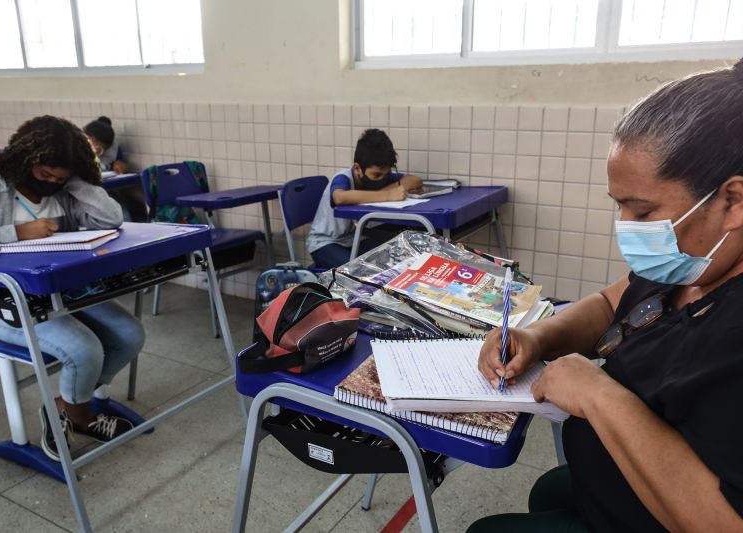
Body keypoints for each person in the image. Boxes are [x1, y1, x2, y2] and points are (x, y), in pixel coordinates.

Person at [470, 60, 743, 532]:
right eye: (619, 206)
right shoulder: (691, 261)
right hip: (611, 482)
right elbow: (612, 304)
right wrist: (539, 337)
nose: (627, 229)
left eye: (643, 211)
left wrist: (599, 395)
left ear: (733, 200)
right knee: (549, 490)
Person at [0, 115, 144, 462]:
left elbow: (111, 219)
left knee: (129, 335)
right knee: (84, 350)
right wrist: (16, 233)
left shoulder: (66, 188)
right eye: (45, 174)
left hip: (61, 292)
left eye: (60, 177)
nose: (51, 182)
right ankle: (81, 417)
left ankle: (64, 406)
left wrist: (79, 180)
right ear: (25, 159)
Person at [306, 128, 423, 269]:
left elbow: (414, 180)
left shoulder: (380, 175)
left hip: (354, 239)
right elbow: (340, 197)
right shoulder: (343, 178)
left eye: (385, 175)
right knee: (358, 272)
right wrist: (387, 195)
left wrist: (382, 190)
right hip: (325, 242)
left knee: (391, 262)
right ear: (357, 169)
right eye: (376, 175)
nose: (381, 179)